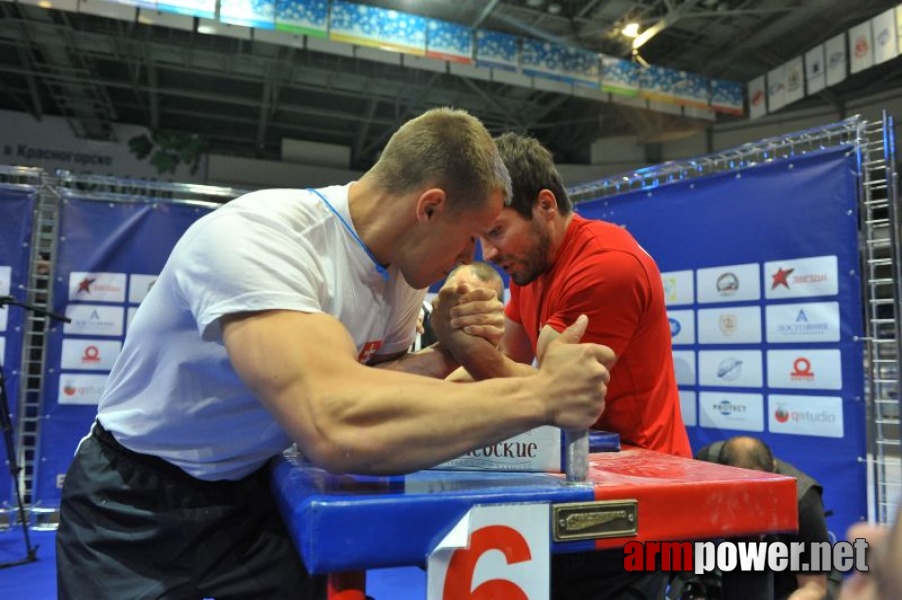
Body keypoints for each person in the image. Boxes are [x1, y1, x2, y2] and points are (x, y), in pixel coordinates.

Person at [55, 108, 616, 600]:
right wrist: (543, 394)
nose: (472, 257)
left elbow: (375, 384)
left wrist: (450, 353)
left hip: (251, 493)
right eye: (470, 235)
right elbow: (335, 423)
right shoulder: (259, 238)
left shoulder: (403, 279)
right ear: (429, 207)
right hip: (133, 500)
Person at [442, 131, 691, 455]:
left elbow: (552, 389)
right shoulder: (529, 266)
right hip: (589, 457)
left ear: (546, 204)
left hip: (646, 467)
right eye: (481, 238)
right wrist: (420, 396)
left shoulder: (606, 266)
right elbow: (503, 359)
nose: (487, 254)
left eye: (496, 232)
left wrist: (460, 342)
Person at [695, 436, 838, 600]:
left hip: (794, 579)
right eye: (742, 494)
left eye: (758, 492)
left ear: (773, 469)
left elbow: (814, 586)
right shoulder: (706, 466)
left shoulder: (802, 500)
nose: (750, 502)